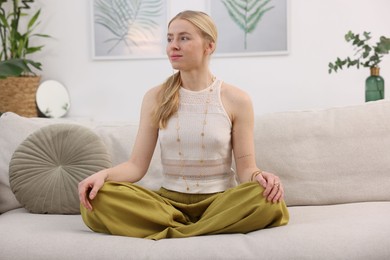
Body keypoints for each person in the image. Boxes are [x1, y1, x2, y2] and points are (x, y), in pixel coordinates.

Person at [79, 10, 289, 240]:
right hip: (168, 204)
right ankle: (201, 229)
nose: (173, 46)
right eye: (169, 38)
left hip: (220, 203)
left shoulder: (237, 99)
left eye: (184, 38)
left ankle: (176, 230)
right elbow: (136, 166)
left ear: (209, 46)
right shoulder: (155, 97)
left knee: (267, 199)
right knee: (98, 197)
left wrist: (261, 177)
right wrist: (103, 176)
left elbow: (245, 169)